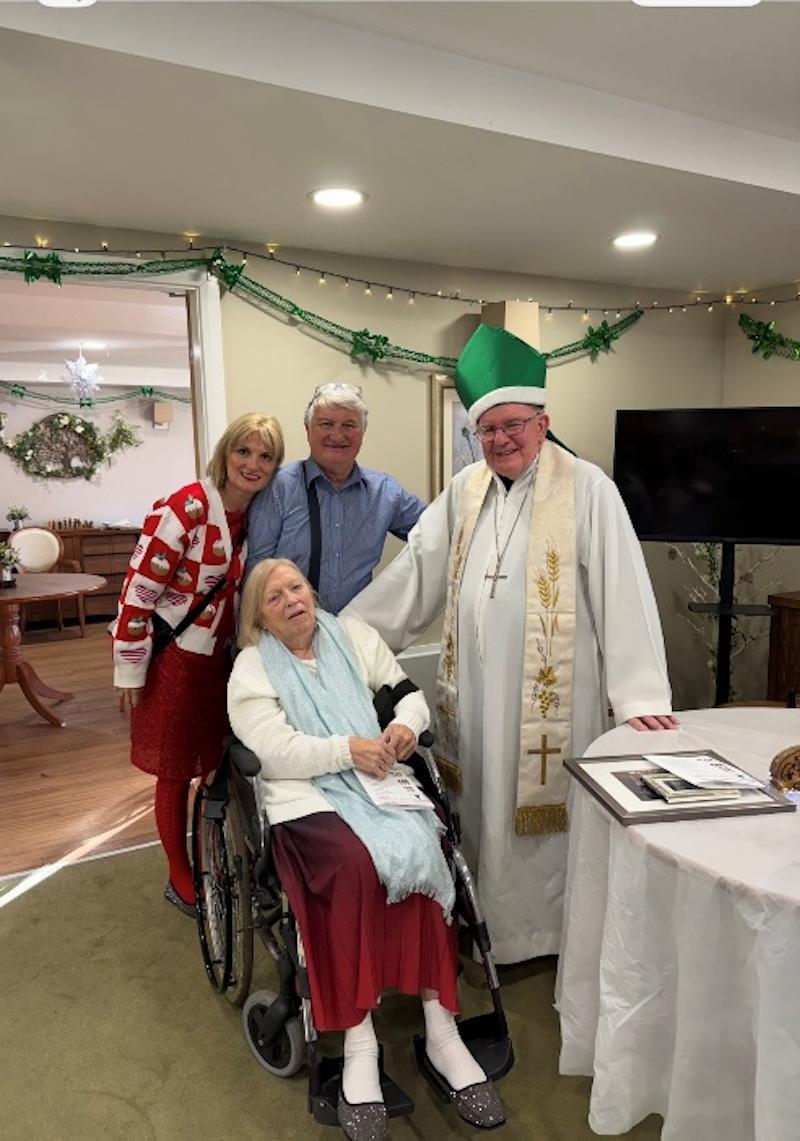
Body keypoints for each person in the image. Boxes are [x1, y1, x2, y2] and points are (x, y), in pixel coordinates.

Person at [345, 323, 678, 964]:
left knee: (541, 825)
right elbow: (416, 571)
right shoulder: (465, 490)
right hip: (473, 692)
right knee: (480, 815)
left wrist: (637, 695)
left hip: (553, 704)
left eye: (512, 425)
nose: (499, 440)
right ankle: (482, 923)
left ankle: (547, 937)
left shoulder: (587, 488)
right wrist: (346, 637)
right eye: (486, 429)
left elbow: (623, 589)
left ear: (543, 420)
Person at [228, 558, 505, 1140]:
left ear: (313, 591)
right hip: (305, 796)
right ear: (260, 617)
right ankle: (358, 1044)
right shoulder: (252, 669)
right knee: (355, 868)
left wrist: (405, 726)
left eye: (297, 588)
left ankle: (442, 1029)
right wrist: (345, 752)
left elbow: (407, 694)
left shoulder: (352, 636)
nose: (292, 601)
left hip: (375, 779)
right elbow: (273, 749)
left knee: (427, 851)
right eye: (274, 598)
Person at [111, 412, 285, 915]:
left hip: (222, 664)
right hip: (174, 664)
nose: (252, 464)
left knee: (213, 763)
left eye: (265, 456)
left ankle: (214, 853)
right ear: (226, 453)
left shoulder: (258, 517)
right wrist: (129, 665)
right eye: (244, 451)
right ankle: (178, 873)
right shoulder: (186, 506)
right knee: (172, 771)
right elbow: (138, 589)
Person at [245, 382, 426, 613]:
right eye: (326, 424)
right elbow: (256, 575)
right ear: (307, 430)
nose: (337, 435)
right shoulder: (278, 487)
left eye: (349, 425)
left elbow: (440, 528)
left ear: (362, 434)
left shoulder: (385, 493)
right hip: (288, 632)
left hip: (355, 632)